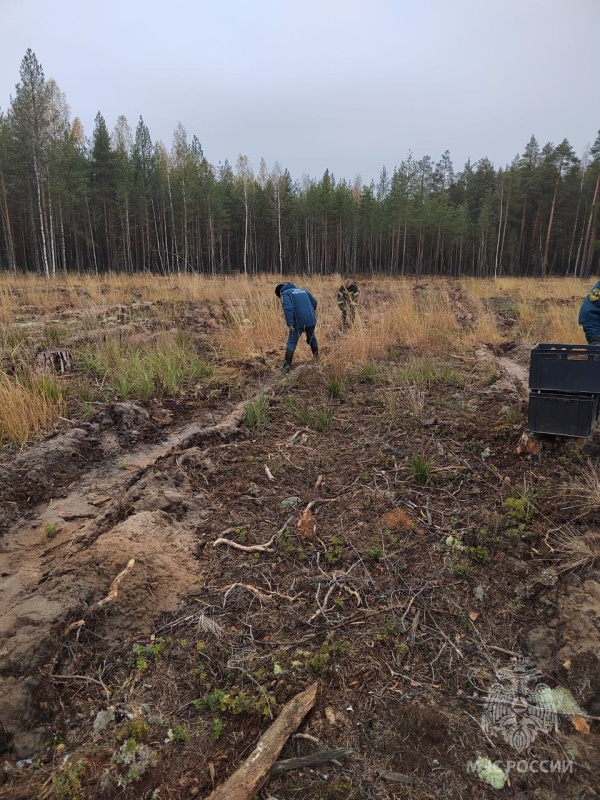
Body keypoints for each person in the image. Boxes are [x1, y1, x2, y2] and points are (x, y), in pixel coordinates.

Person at [275, 282, 318, 372]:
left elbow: (288, 308)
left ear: (279, 292)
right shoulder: (303, 290)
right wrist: (311, 314)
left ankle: (286, 368)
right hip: (311, 319)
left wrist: (290, 323)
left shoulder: (285, 293)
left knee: (291, 342)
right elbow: (314, 302)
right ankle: (316, 358)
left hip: (298, 321)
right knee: (311, 337)